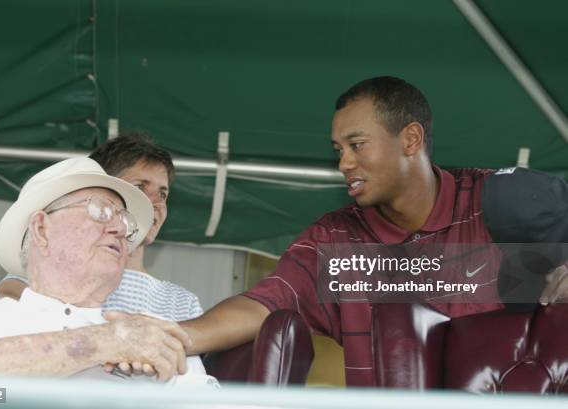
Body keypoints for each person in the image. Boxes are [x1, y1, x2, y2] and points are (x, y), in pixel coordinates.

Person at [177, 76, 568, 387]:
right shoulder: (336, 241)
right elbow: (264, 303)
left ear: (410, 139)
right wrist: (172, 338)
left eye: (357, 144)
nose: (344, 162)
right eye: (338, 150)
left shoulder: (505, 200)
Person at [0, 157, 209, 384]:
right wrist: (104, 342)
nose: (120, 229)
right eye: (101, 211)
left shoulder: (152, 332)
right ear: (42, 229)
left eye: (125, 221)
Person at [0, 132, 203, 323]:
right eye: (140, 187)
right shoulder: (48, 269)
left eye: (163, 194)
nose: (156, 203)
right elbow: (11, 305)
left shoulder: (183, 302)